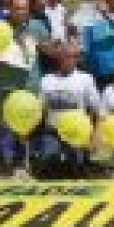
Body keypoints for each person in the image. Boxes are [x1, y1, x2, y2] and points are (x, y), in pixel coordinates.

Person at [0, 0, 52, 169]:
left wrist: (41, 44)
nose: (20, 12)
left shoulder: (37, 26)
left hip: (30, 83)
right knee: (6, 124)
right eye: (17, 8)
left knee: (28, 122)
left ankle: (27, 161)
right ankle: (7, 161)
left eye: (24, 8)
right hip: (5, 84)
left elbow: (50, 51)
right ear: (9, 9)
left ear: (29, 9)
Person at [34, 42, 99, 177]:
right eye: (67, 56)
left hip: (76, 132)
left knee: (77, 164)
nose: (71, 60)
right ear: (59, 57)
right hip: (52, 131)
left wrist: (92, 134)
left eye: (75, 56)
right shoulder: (46, 80)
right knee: (48, 161)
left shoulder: (86, 79)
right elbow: (40, 109)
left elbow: (94, 108)